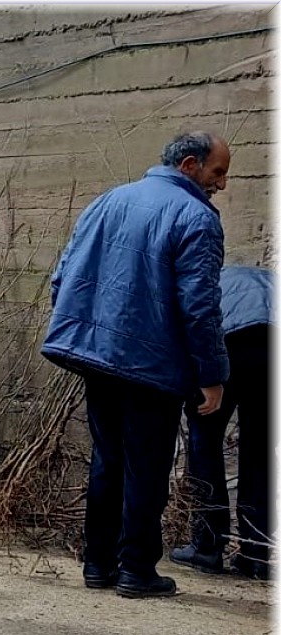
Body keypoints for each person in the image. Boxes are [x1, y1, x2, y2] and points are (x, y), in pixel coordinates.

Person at [42, 131, 231, 599]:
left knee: (108, 460)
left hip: (97, 356)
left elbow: (63, 276)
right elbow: (200, 306)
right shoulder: (196, 217)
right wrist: (212, 374)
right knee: (146, 468)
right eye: (218, 172)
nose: (222, 184)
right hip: (151, 364)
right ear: (190, 165)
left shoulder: (108, 200)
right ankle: (136, 571)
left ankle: (97, 564)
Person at [170, 265, 272, 581]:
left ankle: (207, 547)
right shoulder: (268, 282)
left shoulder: (205, 283)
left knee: (205, 443)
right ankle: (256, 553)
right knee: (260, 451)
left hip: (230, 342)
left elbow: (194, 328)